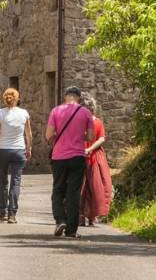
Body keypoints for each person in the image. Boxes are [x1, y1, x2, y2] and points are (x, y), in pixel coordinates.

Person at [45, 86, 95, 239]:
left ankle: (60, 220)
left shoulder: (56, 111)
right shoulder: (86, 113)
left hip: (59, 156)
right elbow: (91, 137)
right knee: (73, 193)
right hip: (78, 156)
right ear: (79, 98)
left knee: (58, 189)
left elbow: (48, 135)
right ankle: (72, 230)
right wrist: (80, 136)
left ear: (66, 96)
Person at [0, 88, 32, 224]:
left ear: (5, 98)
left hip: (3, 150)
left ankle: (2, 212)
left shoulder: (0, 113)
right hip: (19, 150)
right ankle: (12, 214)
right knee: (16, 181)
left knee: (3, 181)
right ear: (17, 98)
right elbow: (28, 134)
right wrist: (29, 148)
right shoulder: (24, 113)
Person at [79, 92, 113, 227]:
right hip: (84, 155)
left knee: (94, 187)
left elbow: (102, 138)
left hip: (93, 157)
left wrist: (89, 148)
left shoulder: (96, 122)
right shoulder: (83, 122)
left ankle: (90, 215)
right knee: (84, 187)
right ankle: (82, 215)